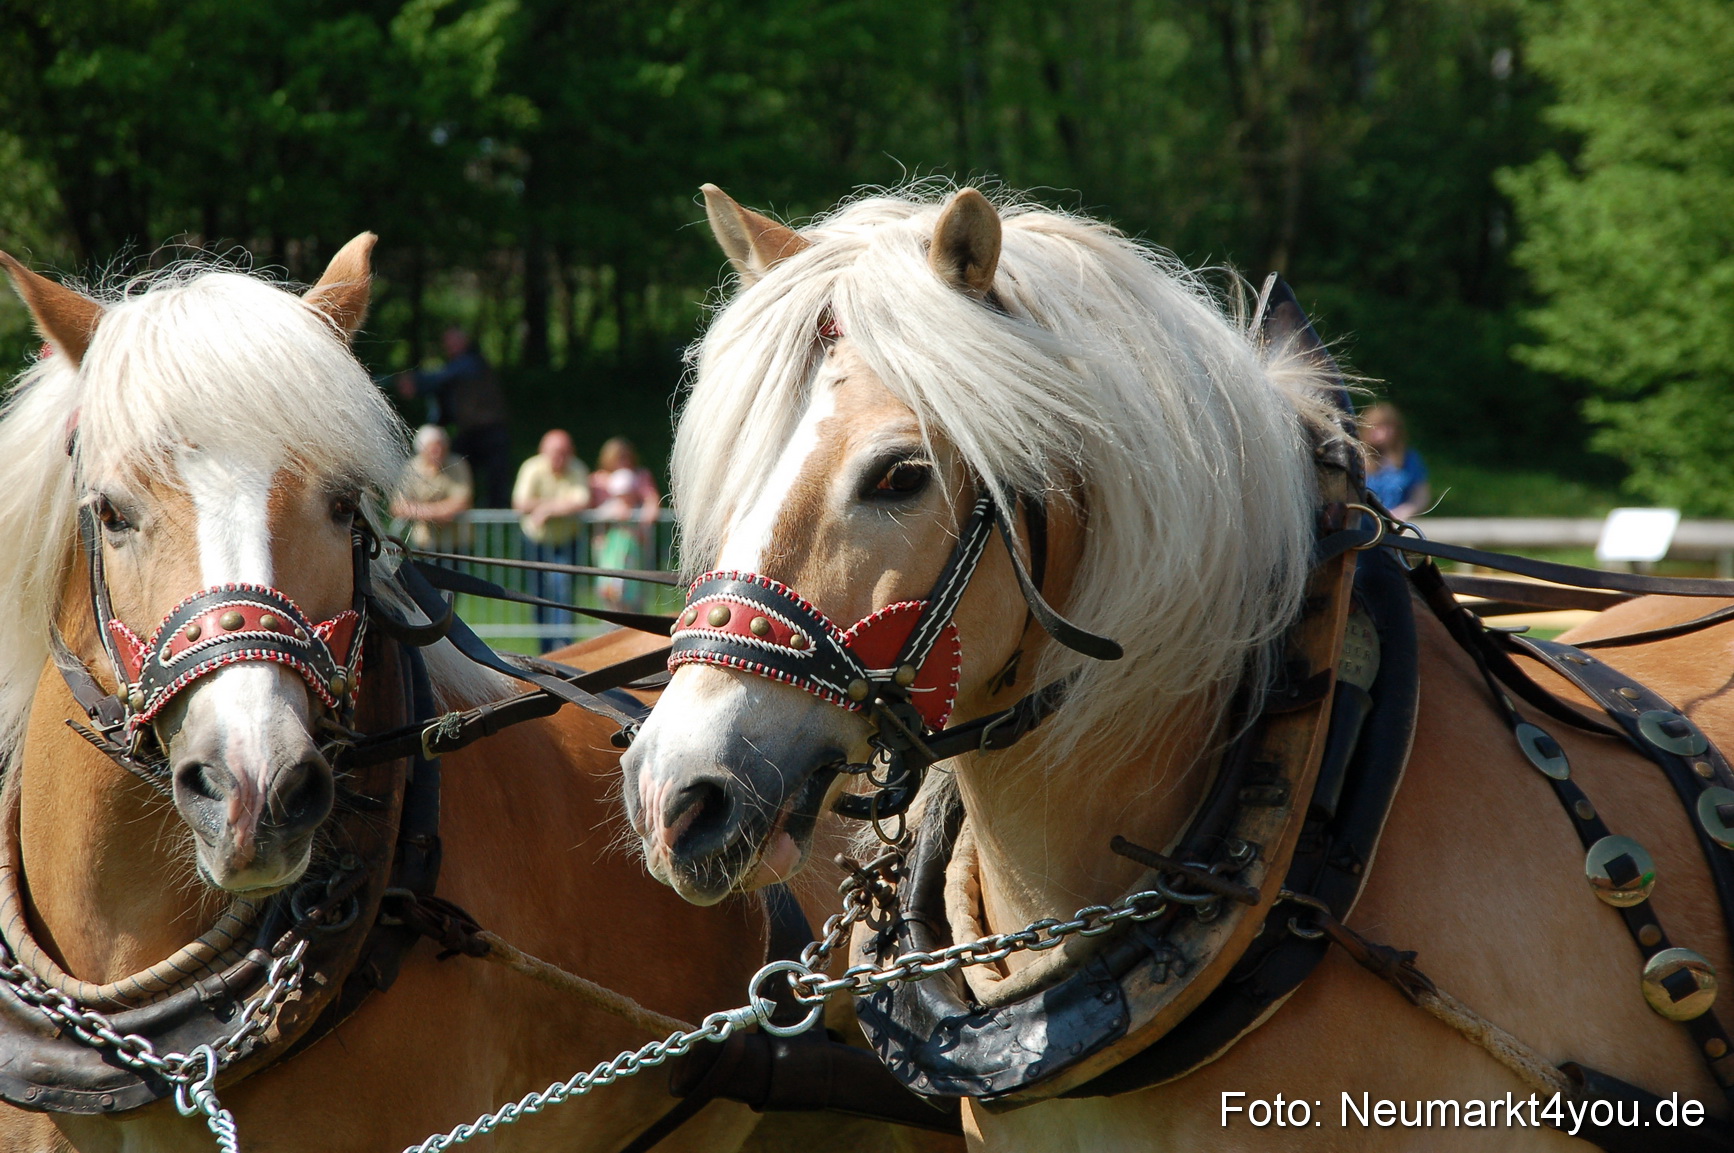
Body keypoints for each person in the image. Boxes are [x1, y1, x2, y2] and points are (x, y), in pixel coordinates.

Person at [397, 327, 513, 508]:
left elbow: (442, 378)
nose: (448, 347)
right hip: (470, 432)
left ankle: (496, 515)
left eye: (453, 342)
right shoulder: (458, 367)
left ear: (464, 341)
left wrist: (415, 382)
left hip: (491, 431)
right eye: (446, 344)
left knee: (496, 478)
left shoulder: (472, 361)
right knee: (458, 466)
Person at [512, 429, 591, 651]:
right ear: (543, 451)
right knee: (537, 596)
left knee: (563, 592)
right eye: (555, 452)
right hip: (535, 542)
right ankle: (545, 649)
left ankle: (565, 648)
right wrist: (559, 506)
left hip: (567, 541)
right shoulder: (532, 468)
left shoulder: (577, 468)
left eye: (564, 452)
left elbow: (582, 501)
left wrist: (546, 509)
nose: (560, 457)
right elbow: (520, 503)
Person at [588, 437, 662, 611]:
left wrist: (646, 513)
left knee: (633, 589)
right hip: (607, 545)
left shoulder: (640, 476)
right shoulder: (598, 480)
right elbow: (590, 507)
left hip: (632, 544)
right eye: (618, 457)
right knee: (609, 588)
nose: (623, 461)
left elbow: (652, 500)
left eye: (625, 457)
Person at [390, 425, 473, 551]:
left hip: (454, 543)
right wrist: (437, 513)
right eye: (433, 448)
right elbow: (398, 506)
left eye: (441, 446)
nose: (438, 451)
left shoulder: (457, 465)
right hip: (423, 542)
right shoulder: (411, 468)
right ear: (422, 449)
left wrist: (421, 511)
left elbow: (461, 502)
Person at [1361, 401, 1431, 520]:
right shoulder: (1358, 458)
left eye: (1387, 427)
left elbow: (1421, 494)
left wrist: (1406, 510)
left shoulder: (1409, 458)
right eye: (1376, 426)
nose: (1382, 432)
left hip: (1397, 520)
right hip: (1364, 521)